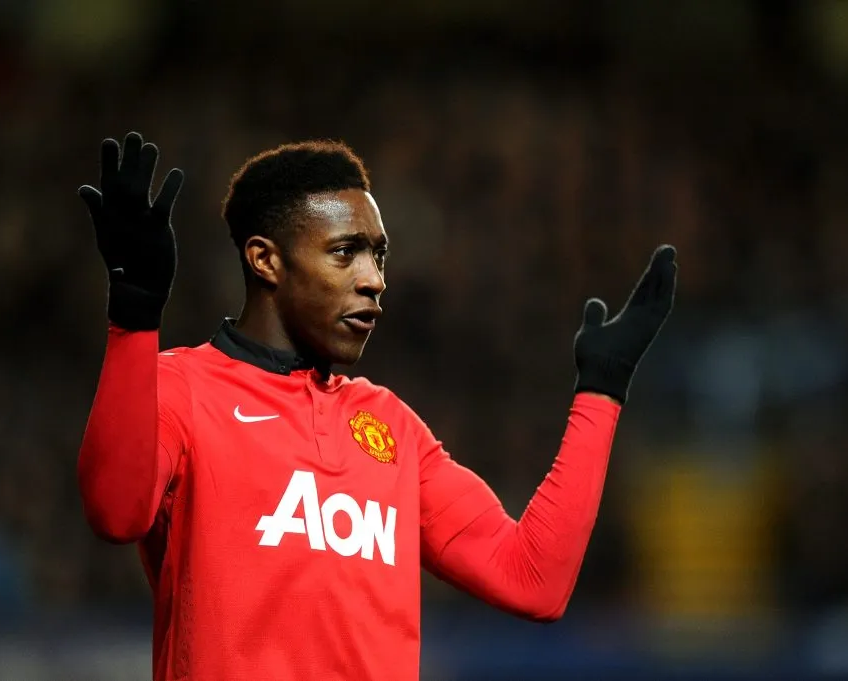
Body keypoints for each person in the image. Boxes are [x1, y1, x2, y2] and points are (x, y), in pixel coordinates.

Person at [76, 132, 677, 681]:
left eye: (379, 255)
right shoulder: (182, 388)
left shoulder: (390, 427)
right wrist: (134, 317)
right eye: (345, 253)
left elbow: (534, 581)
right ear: (266, 260)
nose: (374, 279)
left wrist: (601, 390)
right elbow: (116, 514)